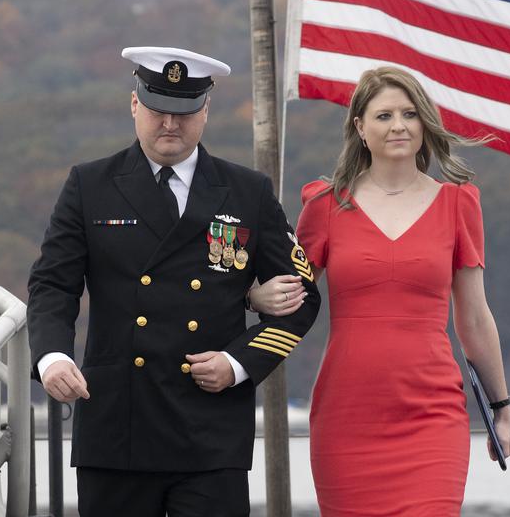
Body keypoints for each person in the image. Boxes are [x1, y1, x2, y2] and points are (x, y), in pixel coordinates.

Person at [27, 46, 321, 517]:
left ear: (205, 110)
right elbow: (52, 286)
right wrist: (52, 356)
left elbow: (302, 300)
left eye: (183, 112)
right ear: (134, 105)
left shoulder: (248, 191)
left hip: (208, 425)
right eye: (158, 110)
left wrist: (239, 361)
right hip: (117, 421)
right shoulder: (90, 185)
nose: (169, 124)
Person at [250, 66, 510, 515]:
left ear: (424, 123)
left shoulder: (459, 204)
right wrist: (253, 297)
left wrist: (501, 407)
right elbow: (292, 297)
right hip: (347, 414)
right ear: (360, 127)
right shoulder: (325, 205)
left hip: (432, 414)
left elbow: (473, 317)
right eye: (384, 115)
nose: (398, 126)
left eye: (410, 114)